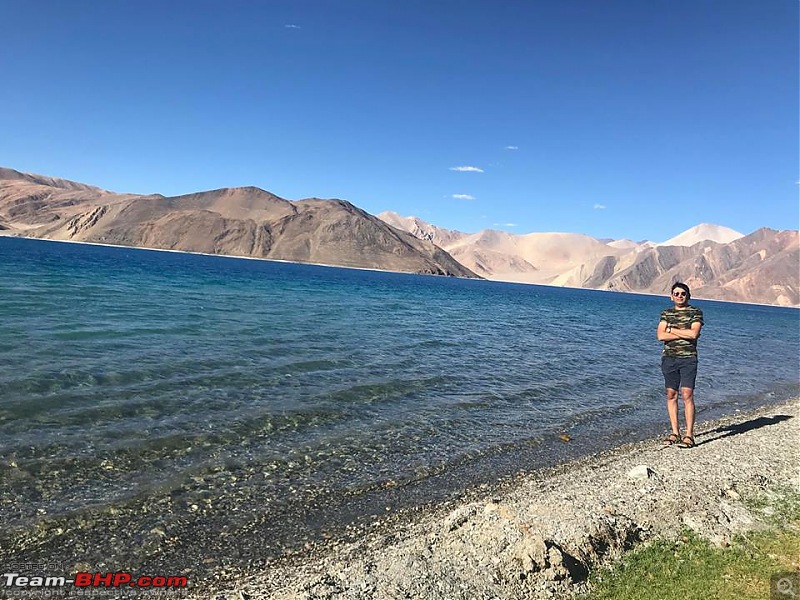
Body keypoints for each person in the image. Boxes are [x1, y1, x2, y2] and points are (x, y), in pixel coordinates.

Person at [656, 282, 703, 448]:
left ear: (688, 296)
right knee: (671, 394)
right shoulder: (666, 313)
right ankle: (675, 433)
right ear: (671, 296)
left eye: (683, 293)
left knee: (687, 394)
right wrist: (678, 332)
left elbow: (693, 333)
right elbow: (660, 336)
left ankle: (689, 435)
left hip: (688, 359)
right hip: (669, 358)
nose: (679, 296)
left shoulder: (695, 313)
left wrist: (672, 330)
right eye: (676, 293)